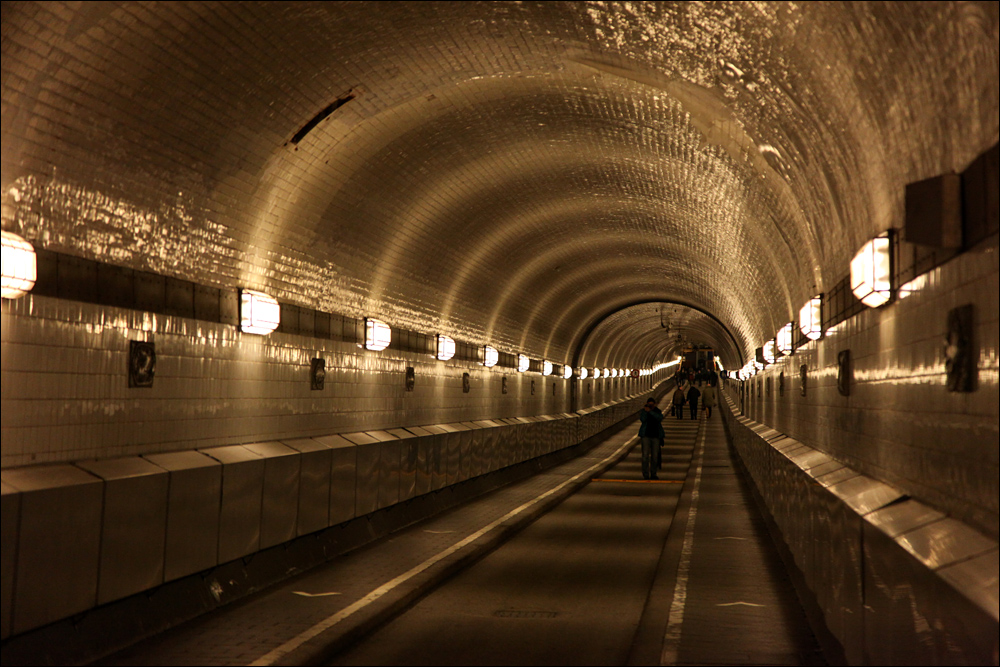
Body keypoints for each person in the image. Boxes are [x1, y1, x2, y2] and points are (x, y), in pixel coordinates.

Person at [638, 397, 664, 480]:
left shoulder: (657, 411)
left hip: (656, 436)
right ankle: (645, 474)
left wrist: (651, 412)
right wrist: (646, 412)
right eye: (649, 404)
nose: (650, 406)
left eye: (652, 404)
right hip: (646, 436)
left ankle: (653, 473)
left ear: (654, 404)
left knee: (655, 456)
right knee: (645, 456)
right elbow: (642, 419)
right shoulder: (644, 412)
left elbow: (659, 418)